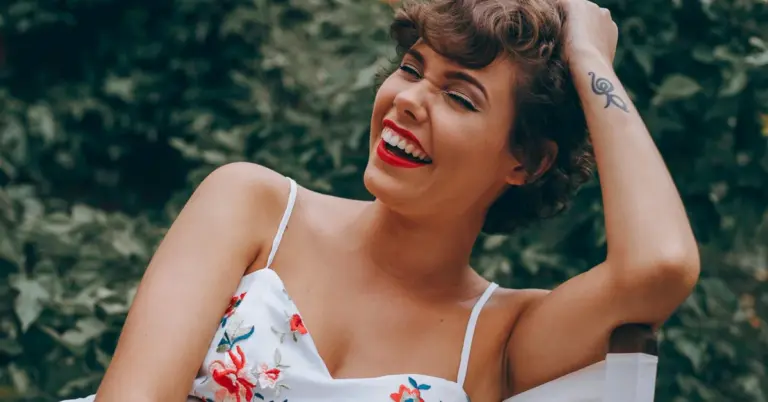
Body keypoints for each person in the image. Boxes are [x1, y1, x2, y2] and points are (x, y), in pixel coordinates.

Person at [70, 0, 700, 401]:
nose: (408, 99)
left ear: (526, 161)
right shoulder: (252, 205)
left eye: (460, 97)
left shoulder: (501, 338)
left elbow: (661, 266)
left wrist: (589, 57)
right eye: (411, 67)